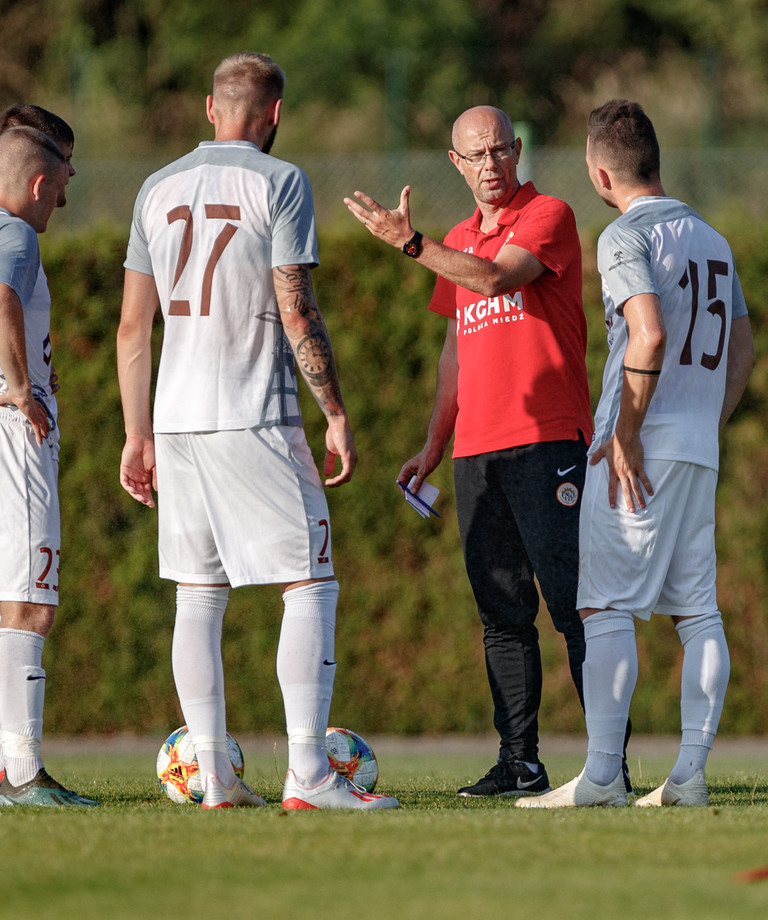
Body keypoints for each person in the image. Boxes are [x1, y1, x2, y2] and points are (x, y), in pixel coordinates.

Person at [117, 51, 398, 810]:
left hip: (174, 421)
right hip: (255, 414)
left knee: (199, 597)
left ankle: (215, 779)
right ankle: (309, 776)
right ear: (274, 115)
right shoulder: (281, 181)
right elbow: (296, 306)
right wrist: (335, 411)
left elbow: (132, 330)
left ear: (212, 110)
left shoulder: (155, 187)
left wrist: (135, 434)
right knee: (310, 582)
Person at [344, 105, 623, 797]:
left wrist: (411, 245)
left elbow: (495, 279)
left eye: (501, 150)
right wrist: (435, 443)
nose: (492, 164)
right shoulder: (459, 240)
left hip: (549, 440)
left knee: (572, 603)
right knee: (502, 614)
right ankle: (520, 761)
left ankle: (608, 766)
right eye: (477, 154)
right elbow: (454, 350)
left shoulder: (548, 215)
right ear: (456, 163)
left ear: (518, 151)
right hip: (479, 453)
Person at [517, 99, 755, 809]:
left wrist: (624, 430)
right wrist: (703, 424)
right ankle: (689, 776)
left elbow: (645, 335)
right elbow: (742, 351)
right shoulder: (712, 237)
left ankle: (600, 778)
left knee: (606, 606)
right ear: (656, 159)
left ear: (599, 172)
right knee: (698, 613)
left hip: (641, 444)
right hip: (697, 444)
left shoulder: (626, 235)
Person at [0, 122, 96, 807]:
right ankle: (26, 775)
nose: (61, 202)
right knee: (31, 604)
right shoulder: (16, 234)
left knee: (8, 604)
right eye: (61, 187)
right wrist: (20, 387)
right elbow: (2, 297)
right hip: (15, 433)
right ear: (39, 183)